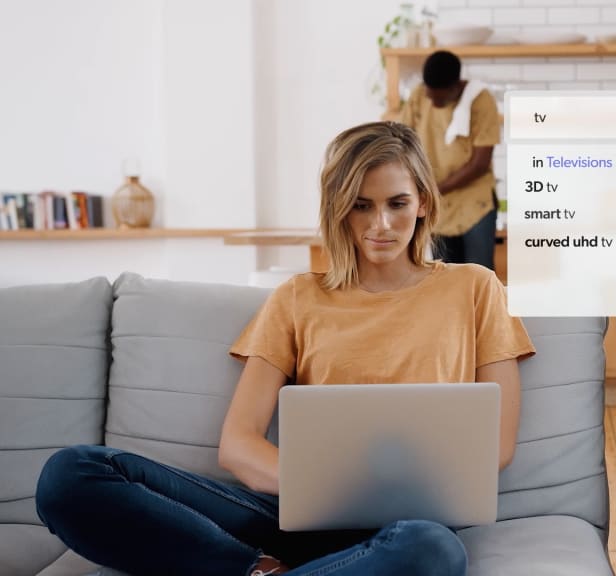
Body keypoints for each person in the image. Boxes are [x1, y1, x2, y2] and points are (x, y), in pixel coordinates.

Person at [34, 122, 535, 576]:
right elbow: (239, 444)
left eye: (396, 203)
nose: (380, 224)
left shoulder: (475, 287)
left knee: (433, 550)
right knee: (72, 475)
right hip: (295, 514)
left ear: (423, 201)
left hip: (410, 526)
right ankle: (257, 570)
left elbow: (496, 446)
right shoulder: (298, 297)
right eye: (361, 204)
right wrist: (328, 489)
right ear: (338, 208)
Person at [400, 50, 500, 269]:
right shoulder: (419, 96)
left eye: (440, 98)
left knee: (479, 275)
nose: (434, 102)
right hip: (439, 208)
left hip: (475, 204)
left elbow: (479, 164)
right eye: (430, 96)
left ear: (456, 87)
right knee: (446, 278)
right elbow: (402, 142)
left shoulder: (480, 100)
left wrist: (435, 190)